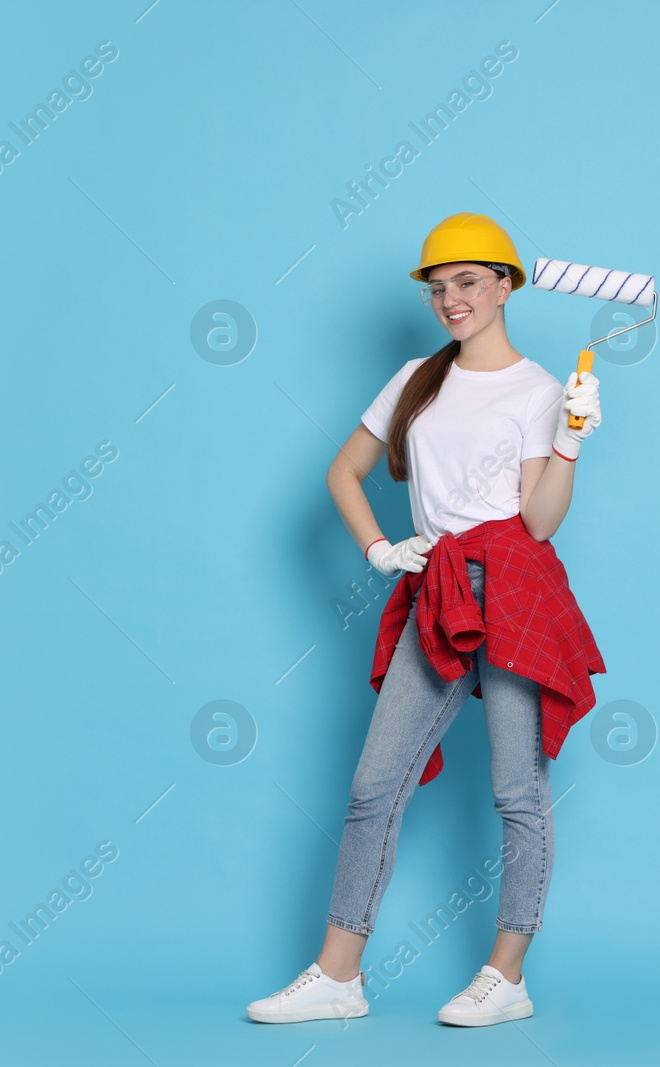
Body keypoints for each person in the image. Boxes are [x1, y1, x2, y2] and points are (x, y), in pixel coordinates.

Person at [246, 212, 604, 1027]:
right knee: (376, 784)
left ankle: (506, 974)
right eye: (439, 287)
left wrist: (573, 439)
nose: (451, 299)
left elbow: (539, 521)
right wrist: (379, 548)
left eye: (468, 282)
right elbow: (346, 470)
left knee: (518, 787)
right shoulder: (417, 377)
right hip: (439, 587)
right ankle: (339, 975)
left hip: (514, 583)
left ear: (505, 283)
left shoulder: (542, 389)